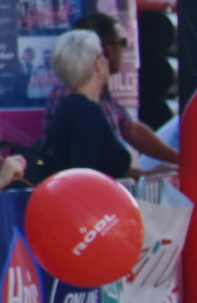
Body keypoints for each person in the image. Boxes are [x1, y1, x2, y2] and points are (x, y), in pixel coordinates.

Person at [64, 12, 180, 166]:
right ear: (106, 51)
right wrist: (143, 175)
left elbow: (130, 128)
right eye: (122, 43)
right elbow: (96, 167)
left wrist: (180, 160)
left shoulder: (101, 96)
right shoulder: (82, 106)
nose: (125, 50)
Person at [35, 29, 134, 180]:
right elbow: (83, 177)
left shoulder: (68, 107)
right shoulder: (87, 113)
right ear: (98, 64)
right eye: (105, 54)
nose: (109, 60)